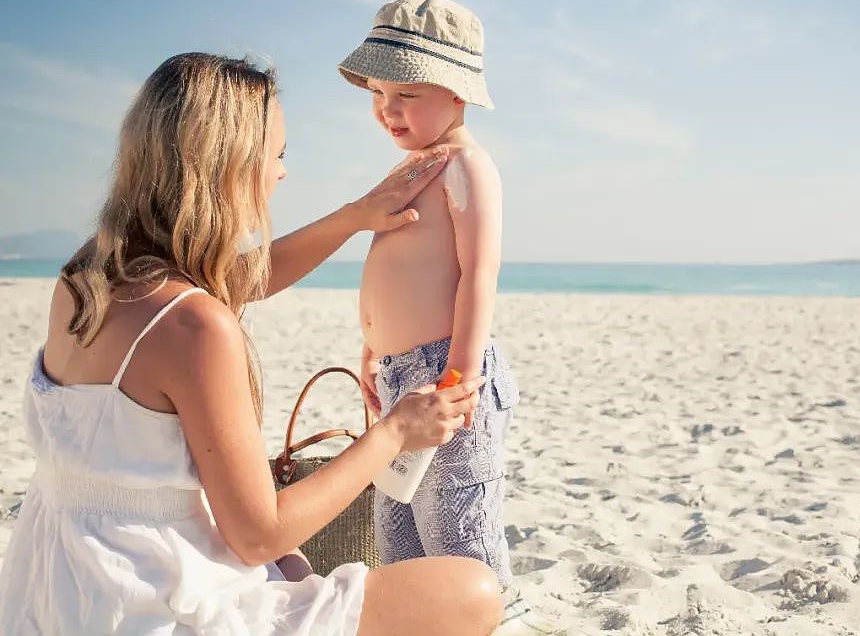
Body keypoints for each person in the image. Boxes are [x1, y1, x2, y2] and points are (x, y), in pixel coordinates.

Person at [0, 52, 502, 636]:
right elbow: (259, 532)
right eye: (277, 155)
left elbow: (232, 279)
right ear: (230, 165)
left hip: (62, 584)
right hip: (147, 605)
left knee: (289, 567)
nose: (283, 174)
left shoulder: (87, 276)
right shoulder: (196, 327)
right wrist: (394, 432)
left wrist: (353, 218)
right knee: (472, 590)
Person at [338, 0, 558, 635]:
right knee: (397, 526)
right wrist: (374, 346)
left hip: (447, 376)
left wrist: (458, 376)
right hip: (400, 373)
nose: (388, 109)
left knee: (456, 527)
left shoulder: (466, 164)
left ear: (457, 94)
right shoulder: (415, 167)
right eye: (379, 94)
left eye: (406, 93)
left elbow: (475, 275)